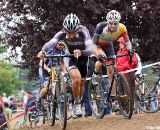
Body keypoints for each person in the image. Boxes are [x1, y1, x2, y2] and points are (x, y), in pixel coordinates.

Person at [40, 13, 93, 117]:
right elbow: (51, 43)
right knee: (76, 79)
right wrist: (42, 50)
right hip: (69, 56)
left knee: (82, 83)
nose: (71, 35)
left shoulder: (84, 31)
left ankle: (78, 102)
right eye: (69, 32)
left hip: (83, 56)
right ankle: (77, 105)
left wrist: (81, 52)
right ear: (65, 30)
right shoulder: (61, 33)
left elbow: (90, 49)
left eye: (74, 32)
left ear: (78, 29)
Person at [92, 10, 133, 95]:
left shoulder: (122, 28)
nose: (113, 25)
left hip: (108, 45)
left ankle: (113, 97)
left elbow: (127, 42)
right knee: (102, 58)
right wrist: (98, 54)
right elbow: (93, 45)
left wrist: (130, 50)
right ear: (107, 22)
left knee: (111, 72)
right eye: (111, 23)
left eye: (115, 23)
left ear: (118, 23)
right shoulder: (100, 26)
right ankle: (95, 75)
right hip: (98, 45)